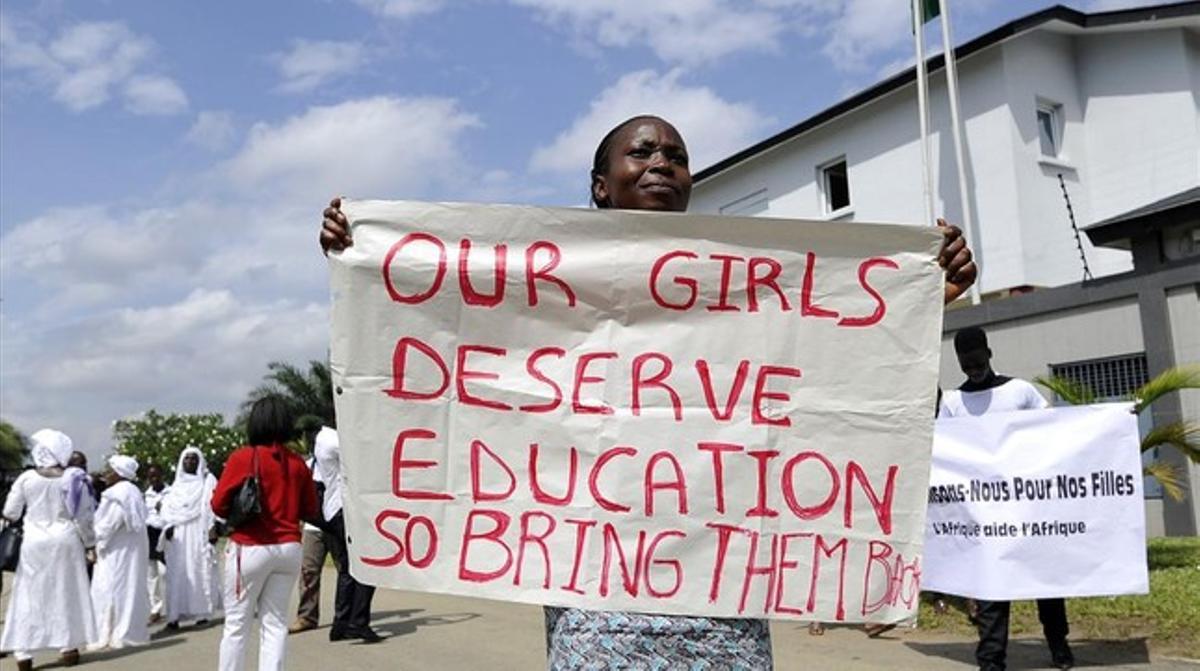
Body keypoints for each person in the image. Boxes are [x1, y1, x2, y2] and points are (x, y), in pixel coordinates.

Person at [319, 115, 977, 668]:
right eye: (643, 150)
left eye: (677, 155)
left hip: (726, 614)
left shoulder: (749, 293)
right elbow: (457, 352)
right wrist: (366, 253)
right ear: (600, 187)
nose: (663, 160)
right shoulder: (540, 294)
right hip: (597, 615)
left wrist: (920, 298)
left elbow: (836, 379)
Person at [939, 326, 1073, 671]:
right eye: (966, 365)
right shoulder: (954, 402)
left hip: (1029, 509)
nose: (973, 369)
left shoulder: (1020, 392)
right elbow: (946, 454)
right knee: (992, 589)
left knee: (1046, 582)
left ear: (989, 353)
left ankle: (1059, 645)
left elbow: (1054, 431)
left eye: (977, 360)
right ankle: (991, 660)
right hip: (985, 515)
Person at [212, 396, 319, 671]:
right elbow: (310, 509)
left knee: (236, 625)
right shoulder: (297, 463)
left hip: (251, 546)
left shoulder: (243, 458)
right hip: (289, 548)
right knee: (275, 625)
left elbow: (218, 505)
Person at [1, 429, 97, 670]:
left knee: (29, 595)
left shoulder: (26, 479)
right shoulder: (74, 479)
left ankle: (23, 653)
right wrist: (90, 545)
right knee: (65, 593)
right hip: (66, 541)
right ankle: (68, 647)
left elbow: (11, 512)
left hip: (34, 542)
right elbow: (84, 518)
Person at [313, 426, 382, 643]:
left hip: (334, 511)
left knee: (347, 569)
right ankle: (358, 623)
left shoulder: (322, 439)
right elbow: (363, 458)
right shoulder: (334, 440)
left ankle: (341, 624)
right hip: (345, 511)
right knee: (368, 566)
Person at [89, 455, 151, 650]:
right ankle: (124, 630)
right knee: (129, 587)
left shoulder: (116, 495)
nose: (106, 474)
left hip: (115, 551)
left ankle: (110, 633)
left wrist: (94, 543)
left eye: (110, 470)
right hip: (131, 550)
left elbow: (108, 525)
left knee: (108, 589)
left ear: (118, 473)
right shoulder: (134, 492)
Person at [159, 446, 221, 629]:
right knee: (177, 573)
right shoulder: (175, 488)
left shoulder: (206, 483)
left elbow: (212, 507)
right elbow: (167, 511)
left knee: (198, 569)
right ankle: (174, 616)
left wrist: (212, 528)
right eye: (186, 459)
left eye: (194, 459)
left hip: (197, 532)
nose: (190, 462)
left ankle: (201, 613)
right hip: (178, 537)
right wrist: (167, 526)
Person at [289, 436, 329, 634]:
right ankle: (306, 616)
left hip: (337, 525)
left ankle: (347, 616)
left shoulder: (342, 462)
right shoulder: (307, 466)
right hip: (313, 527)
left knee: (347, 572)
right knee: (308, 571)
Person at [144, 464, 170, 624]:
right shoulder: (145, 495)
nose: (154, 479)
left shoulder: (171, 492)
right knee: (151, 574)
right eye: (151, 476)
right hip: (149, 533)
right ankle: (155, 608)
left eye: (156, 475)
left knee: (165, 572)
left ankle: (172, 605)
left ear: (162, 475)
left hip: (165, 533)